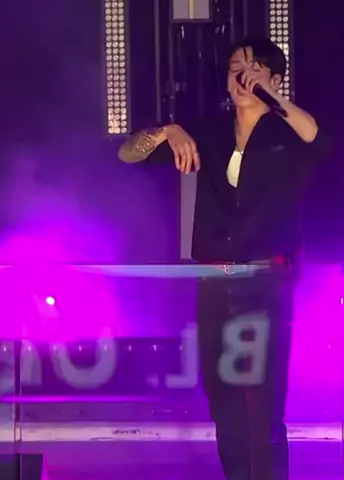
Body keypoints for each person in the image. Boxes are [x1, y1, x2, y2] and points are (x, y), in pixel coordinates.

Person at [118, 37, 329, 480]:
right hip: (214, 283)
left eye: (254, 68)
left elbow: (319, 138)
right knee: (225, 406)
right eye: (236, 67)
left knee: (264, 407)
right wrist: (169, 130)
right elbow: (129, 153)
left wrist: (271, 99)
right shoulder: (210, 132)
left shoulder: (287, 135)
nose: (242, 76)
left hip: (265, 283)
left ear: (274, 78)